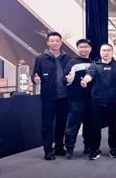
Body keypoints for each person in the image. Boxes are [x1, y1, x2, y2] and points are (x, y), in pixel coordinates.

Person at [81, 43, 116, 159]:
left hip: (113, 100)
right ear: (100, 52)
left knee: (114, 127)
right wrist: (85, 81)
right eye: (103, 50)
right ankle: (94, 149)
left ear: (112, 52)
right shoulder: (94, 65)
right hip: (96, 100)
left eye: (108, 50)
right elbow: (89, 75)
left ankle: (113, 148)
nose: (106, 53)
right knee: (95, 127)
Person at [32, 32, 71, 160]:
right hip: (48, 97)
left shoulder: (67, 58)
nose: (54, 43)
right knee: (47, 124)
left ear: (61, 42)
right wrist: (35, 80)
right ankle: (48, 150)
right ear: (47, 42)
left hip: (64, 97)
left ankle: (59, 147)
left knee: (61, 123)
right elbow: (34, 75)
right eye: (52, 41)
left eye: (57, 41)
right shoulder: (40, 58)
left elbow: (71, 75)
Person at [62, 39, 94, 159]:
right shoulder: (72, 62)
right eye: (80, 47)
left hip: (91, 100)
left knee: (89, 126)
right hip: (76, 100)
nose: (83, 49)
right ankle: (69, 149)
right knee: (72, 126)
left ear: (90, 48)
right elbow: (64, 80)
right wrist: (67, 80)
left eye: (85, 47)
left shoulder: (93, 63)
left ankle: (88, 147)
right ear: (77, 48)